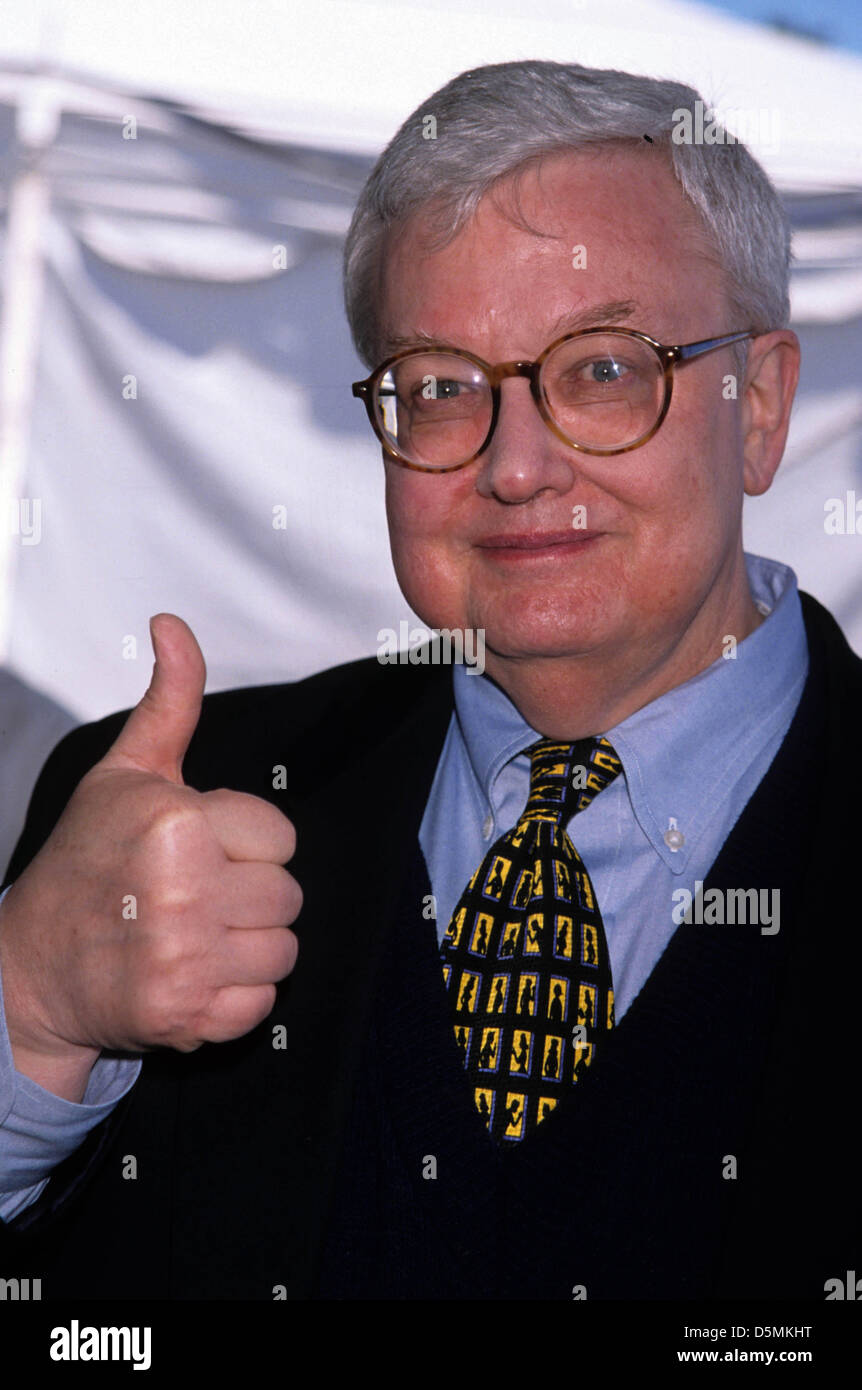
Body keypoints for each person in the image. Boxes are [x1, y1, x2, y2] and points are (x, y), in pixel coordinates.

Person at [0, 59, 859, 1301]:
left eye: (604, 369)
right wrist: (27, 1014)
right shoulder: (163, 823)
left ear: (763, 406)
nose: (515, 465)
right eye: (442, 388)